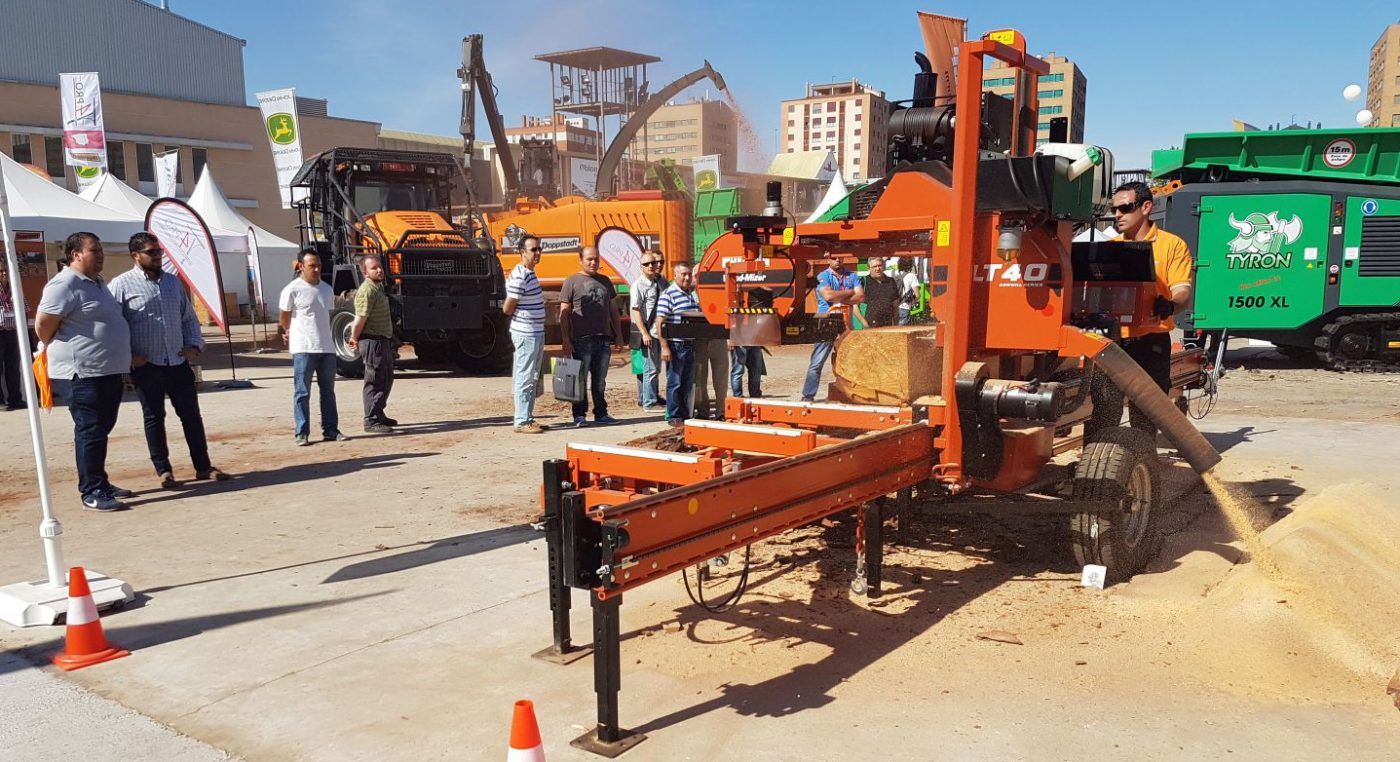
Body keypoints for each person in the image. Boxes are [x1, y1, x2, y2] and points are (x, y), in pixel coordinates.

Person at [109, 231, 228, 488]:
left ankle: (203, 467)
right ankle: (164, 471)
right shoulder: (120, 286)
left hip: (177, 363)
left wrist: (195, 345)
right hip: (147, 367)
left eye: (159, 251)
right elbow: (112, 327)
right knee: (154, 418)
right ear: (135, 255)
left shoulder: (173, 283)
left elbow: (188, 319)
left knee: (191, 416)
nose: (158, 256)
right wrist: (128, 357)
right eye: (151, 252)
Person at [35, 232, 132, 511]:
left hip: (107, 371)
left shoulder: (98, 283)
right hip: (81, 373)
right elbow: (44, 324)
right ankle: (91, 491)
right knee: (90, 429)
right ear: (76, 254)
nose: (100, 254)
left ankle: (100, 481)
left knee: (101, 428)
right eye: (94, 250)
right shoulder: (64, 283)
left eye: (101, 249)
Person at [1093, 180, 1194, 436]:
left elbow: (1183, 291)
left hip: (1152, 341)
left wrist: (1170, 305)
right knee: (1104, 408)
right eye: (1115, 209)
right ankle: (1094, 467)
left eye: (1125, 208)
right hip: (1111, 341)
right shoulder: (1109, 248)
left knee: (1146, 412)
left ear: (1146, 207)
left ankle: (1144, 463)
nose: (1117, 215)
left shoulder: (1172, 246)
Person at [279, 249, 344, 445]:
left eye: (318, 265)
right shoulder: (292, 289)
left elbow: (327, 315)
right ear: (301, 266)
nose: (316, 269)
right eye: (311, 266)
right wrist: (288, 330)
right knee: (302, 392)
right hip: (304, 348)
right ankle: (302, 432)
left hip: (326, 347)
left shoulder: (326, 289)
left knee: (328, 391)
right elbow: (284, 316)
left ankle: (331, 430)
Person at [558, 246, 623, 427]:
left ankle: (601, 413)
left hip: (603, 339)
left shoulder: (605, 281)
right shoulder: (571, 281)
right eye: (589, 259)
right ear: (581, 260)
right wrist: (565, 339)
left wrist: (618, 336)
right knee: (580, 380)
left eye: (596, 259)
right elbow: (564, 312)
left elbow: (613, 311)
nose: (593, 262)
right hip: (582, 339)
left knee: (600, 381)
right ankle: (579, 415)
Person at [346, 254, 396, 433]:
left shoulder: (378, 287)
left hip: (382, 339)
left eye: (380, 267)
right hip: (372, 340)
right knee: (375, 380)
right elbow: (360, 318)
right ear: (365, 272)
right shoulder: (366, 291)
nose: (380, 270)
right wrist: (354, 338)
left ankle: (379, 413)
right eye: (374, 268)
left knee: (386, 378)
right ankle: (371, 420)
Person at [801, 259, 863, 401]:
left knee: (850, 361)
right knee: (817, 362)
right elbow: (828, 295)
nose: (837, 260)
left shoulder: (852, 276)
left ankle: (852, 395)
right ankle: (807, 396)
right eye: (834, 258)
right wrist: (850, 292)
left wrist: (839, 298)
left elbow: (860, 297)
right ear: (828, 259)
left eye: (839, 258)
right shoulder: (823, 276)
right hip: (825, 322)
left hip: (846, 324)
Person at [504, 235, 548, 434]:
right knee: (525, 376)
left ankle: (528, 417)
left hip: (534, 332)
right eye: (533, 249)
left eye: (539, 249)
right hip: (527, 333)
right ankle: (522, 420)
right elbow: (508, 307)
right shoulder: (521, 275)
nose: (537, 253)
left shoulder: (529, 273)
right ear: (523, 252)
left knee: (531, 376)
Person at [656, 262, 699, 426]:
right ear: (675, 276)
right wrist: (664, 347)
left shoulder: (690, 294)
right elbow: (660, 322)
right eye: (683, 274)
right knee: (674, 382)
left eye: (689, 274)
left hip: (689, 345)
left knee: (687, 383)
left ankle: (685, 414)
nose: (687, 277)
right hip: (675, 346)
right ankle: (673, 416)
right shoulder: (669, 294)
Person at [629, 247, 668, 412]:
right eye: (647, 263)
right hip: (649, 333)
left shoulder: (660, 281)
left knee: (656, 368)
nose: (652, 266)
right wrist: (644, 333)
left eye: (655, 262)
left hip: (660, 333)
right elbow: (636, 310)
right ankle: (648, 402)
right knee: (649, 368)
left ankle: (653, 398)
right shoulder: (638, 285)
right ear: (641, 266)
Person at [0, 264, 25, 410]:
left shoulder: (15, 289)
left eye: (5, 271)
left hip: (13, 332)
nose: (3, 274)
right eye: (0, 271)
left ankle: (16, 399)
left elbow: (24, 309)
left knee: (13, 367)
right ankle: (1, 402)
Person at [692, 331, 729, 419]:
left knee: (721, 381)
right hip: (699, 340)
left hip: (719, 338)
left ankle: (721, 411)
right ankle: (703, 411)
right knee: (699, 380)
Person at [862, 257, 901, 328]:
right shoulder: (863, 281)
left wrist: (896, 324)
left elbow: (896, 304)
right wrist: (864, 323)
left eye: (879, 265)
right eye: (874, 266)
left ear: (884, 266)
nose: (877, 269)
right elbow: (855, 306)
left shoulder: (891, 281)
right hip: (869, 326)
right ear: (868, 268)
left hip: (888, 325)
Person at [896, 257, 922, 325]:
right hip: (904, 307)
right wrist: (913, 302)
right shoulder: (911, 276)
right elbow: (918, 295)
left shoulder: (892, 274)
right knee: (902, 332)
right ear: (910, 265)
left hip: (892, 308)